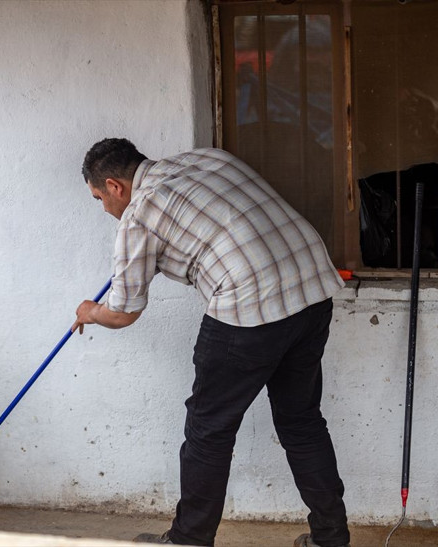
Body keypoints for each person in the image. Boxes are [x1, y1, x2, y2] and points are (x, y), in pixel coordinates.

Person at [72, 138, 350, 547]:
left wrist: (88, 312)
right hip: (311, 291)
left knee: (209, 432)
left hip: (249, 309)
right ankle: (332, 539)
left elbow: (123, 311)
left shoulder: (139, 214)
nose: (104, 209)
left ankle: (189, 541)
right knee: (301, 421)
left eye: (100, 198)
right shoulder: (205, 159)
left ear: (115, 186)